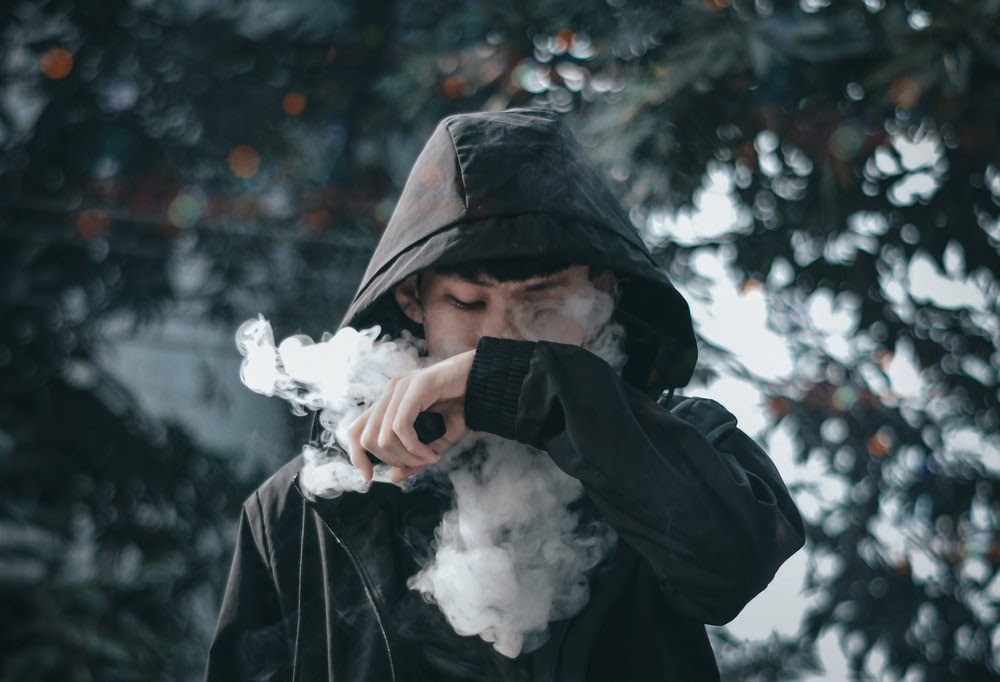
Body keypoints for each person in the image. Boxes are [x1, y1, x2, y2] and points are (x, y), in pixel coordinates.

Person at [205, 108, 805, 681]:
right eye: (467, 304)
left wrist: (520, 384)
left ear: (605, 292)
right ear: (413, 299)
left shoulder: (677, 443)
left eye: (542, 303)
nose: (502, 336)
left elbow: (732, 568)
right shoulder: (299, 509)